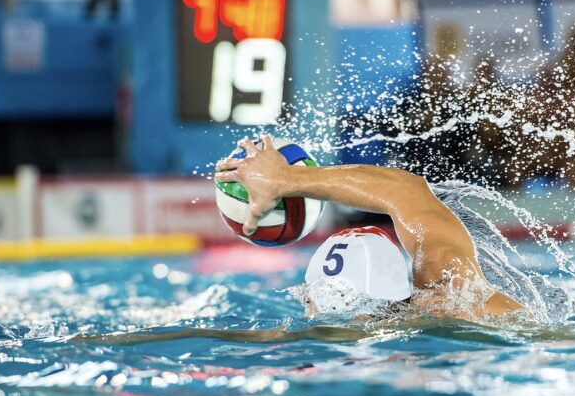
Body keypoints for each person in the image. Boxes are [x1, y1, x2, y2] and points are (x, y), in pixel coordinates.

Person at [214, 135, 525, 321]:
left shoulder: (460, 309)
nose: (311, 311)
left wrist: (287, 181)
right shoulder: (456, 294)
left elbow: (407, 190)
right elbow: (408, 193)